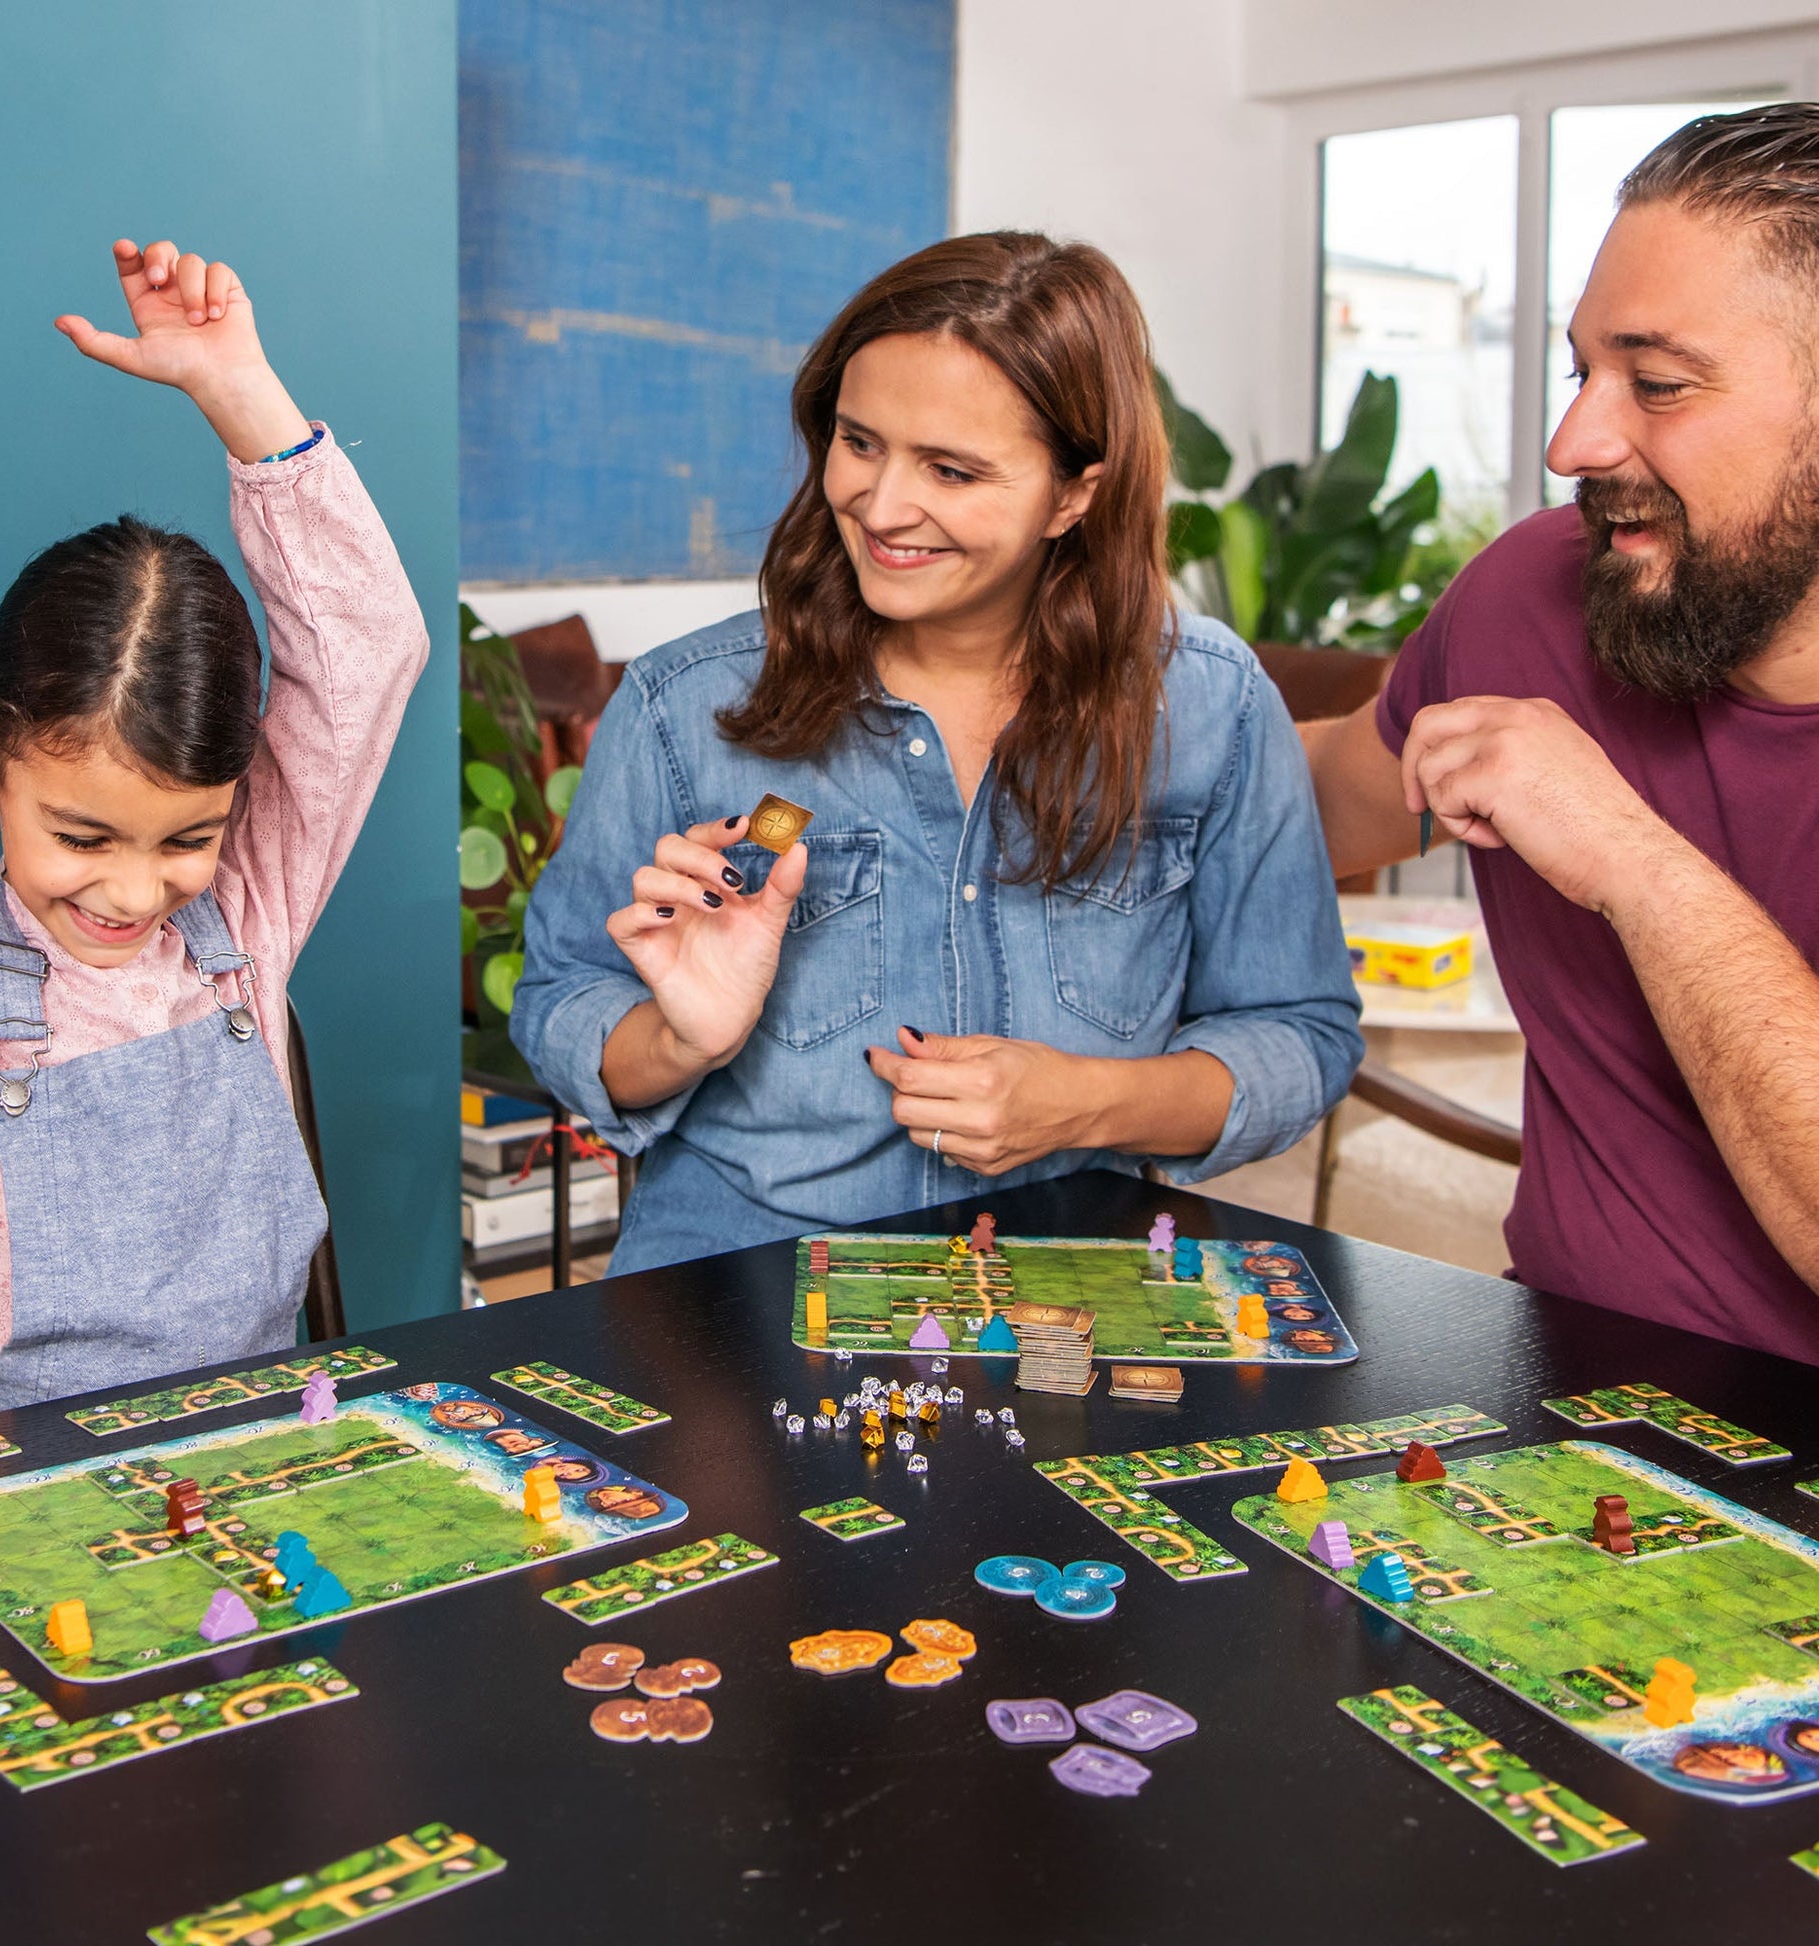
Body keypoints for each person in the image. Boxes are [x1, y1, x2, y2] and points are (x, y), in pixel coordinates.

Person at [517, 232, 1360, 1271]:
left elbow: (1299, 1031)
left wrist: (1088, 1102)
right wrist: (680, 1039)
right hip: (738, 1281)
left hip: (1078, 1290)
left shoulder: (1211, 706)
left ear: (1073, 493)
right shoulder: (682, 706)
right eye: (859, 441)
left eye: (951, 470)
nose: (880, 505)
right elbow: (560, 1000)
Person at [1304, 105, 1819, 1365]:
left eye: (1655, 384)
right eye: (1581, 370)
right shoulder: (1540, 583)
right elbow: (1317, 800)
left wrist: (1625, 858)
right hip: (1556, 1385)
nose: (1570, 444)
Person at [0, 238, 428, 1427]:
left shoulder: (251, 898)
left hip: (267, 1432)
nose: (137, 894)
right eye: (83, 835)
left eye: (188, 837)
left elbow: (366, 653)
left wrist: (237, 392)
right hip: (11, 1461)